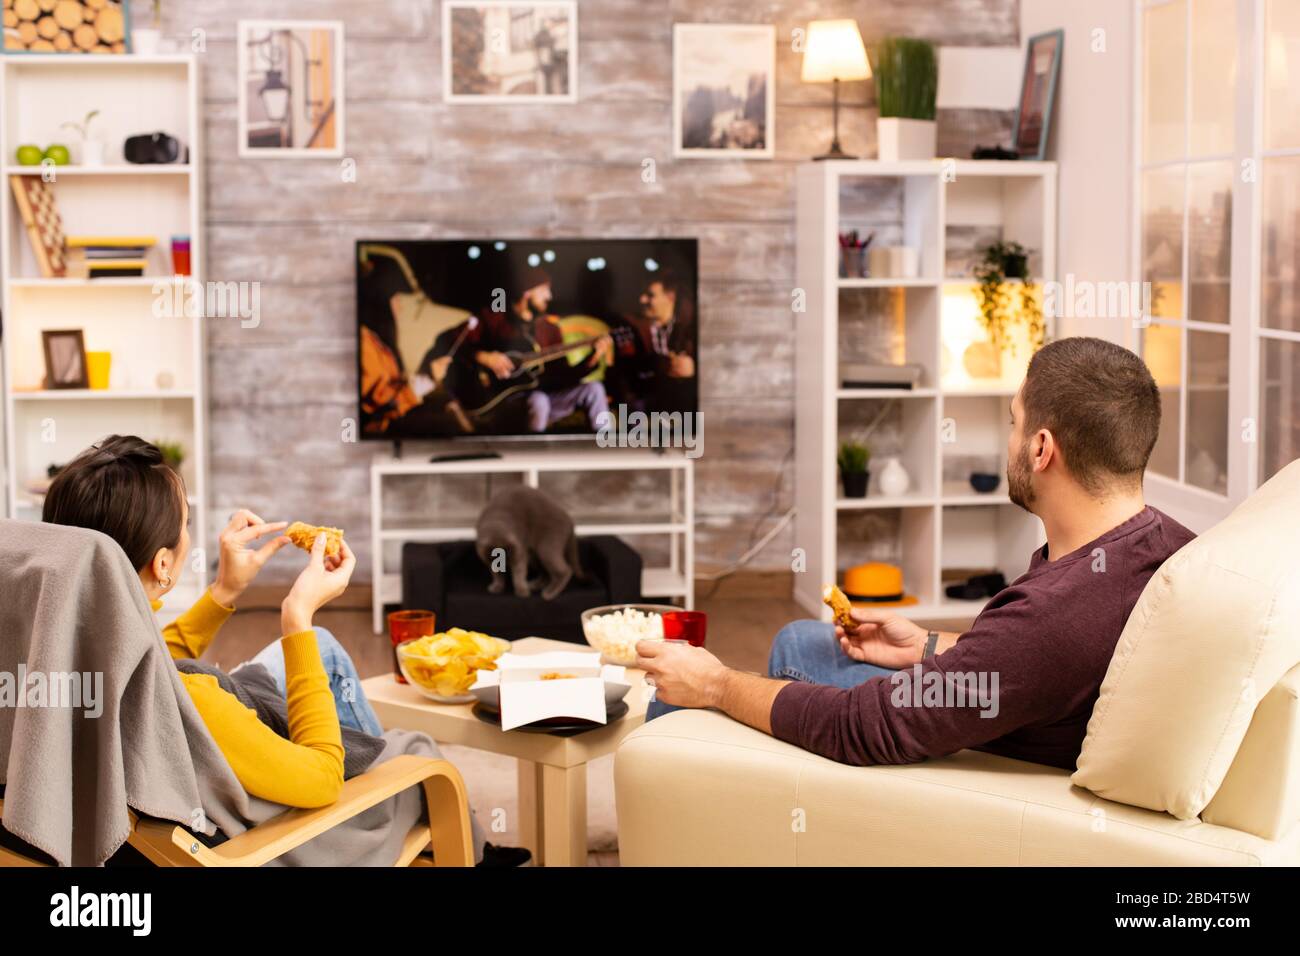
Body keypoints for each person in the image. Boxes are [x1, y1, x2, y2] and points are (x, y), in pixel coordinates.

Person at [638, 337, 1197, 771]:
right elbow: (1023, 665)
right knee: (801, 639)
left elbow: (862, 728)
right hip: (1010, 705)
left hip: (969, 758)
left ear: (1042, 448)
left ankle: (676, 788)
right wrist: (927, 646)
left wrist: (714, 684)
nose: (1007, 441)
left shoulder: (1055, 613)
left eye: (1013, 422)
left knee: (686, 694)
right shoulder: (1165, 543)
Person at [42, 436, 528, 865]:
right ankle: (444, 836)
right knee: (414, 751)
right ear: (163, 563)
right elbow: (320, 781)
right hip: (268, 843)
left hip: (167, 812)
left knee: (327, 654)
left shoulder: (70, 655)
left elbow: (154, 664)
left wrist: (225, 591)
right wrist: (299, 615)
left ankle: (387, 779)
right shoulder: (198, 706)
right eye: (185, 518)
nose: (189, 529)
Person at [444, 265, 613, 433]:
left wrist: (594, 357)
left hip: (544, 398)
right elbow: (454, 342)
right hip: (503, 402)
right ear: (527, 291)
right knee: (539, 401)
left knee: (594, 389)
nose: (550, 296)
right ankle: (532, 457)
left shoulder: (549, 328)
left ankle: (606, 451)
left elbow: (563, 375)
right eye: (545, 289)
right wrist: (484, 357)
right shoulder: (497, 317)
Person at [608, 271, 696, 416]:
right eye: (642, 294)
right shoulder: (630, 326)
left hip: (682, 401)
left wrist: (694, 369)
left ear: (670, 297)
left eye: (650, 295)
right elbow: (625, 370)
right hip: (645, 399)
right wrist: (660, 365)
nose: (642, 299)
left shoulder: (690, 325)